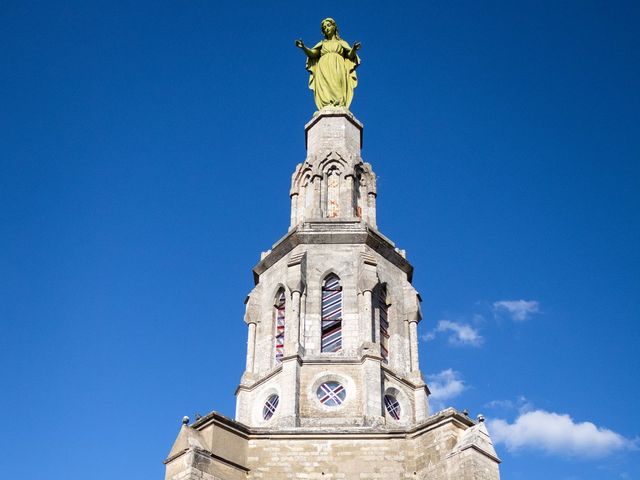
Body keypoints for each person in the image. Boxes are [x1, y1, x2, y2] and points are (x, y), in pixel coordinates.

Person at [295, 18, 361, 110]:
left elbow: (350, 55)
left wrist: (354, 48)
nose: (326, 28)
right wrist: (303, 47)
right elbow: (313, 54)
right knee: (325, 87)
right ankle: (326, 105)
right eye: (324, 27)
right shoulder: (322, 43)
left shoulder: (341, 43)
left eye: (328, 26)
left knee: (338, 84)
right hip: (323, 68)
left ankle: (339, 103)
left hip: (338, 66)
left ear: (334, 27)